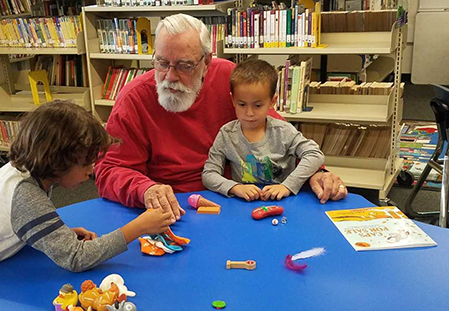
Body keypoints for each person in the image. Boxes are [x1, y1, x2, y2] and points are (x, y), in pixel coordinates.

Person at [95, 14, 348, 220]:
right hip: (175, 209)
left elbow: (273, 131)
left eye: (184, 65)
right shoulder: (133, 99)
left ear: (206, 61)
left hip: (235, 201)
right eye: (161, 63)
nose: (170, 76)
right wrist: (146, 189)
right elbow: (108, 170)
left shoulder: (228, 77)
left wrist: (317, 173)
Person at [0, 100, 173, 284]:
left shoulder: (24, 172)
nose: (91, 171)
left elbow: (9, 223)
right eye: (85, 163)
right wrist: (137, 227)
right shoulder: (26, 195)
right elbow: (75, 258)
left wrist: (54, 234)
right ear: (56, 160)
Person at [202, 59, 324, 201]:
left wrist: (287, 186)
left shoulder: (283, 131)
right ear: (233, 100)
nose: (249, 113)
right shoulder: (226, 134)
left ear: (272, 101)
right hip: (243, 206)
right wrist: (234, 187)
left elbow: (315, 154)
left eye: (258, 105)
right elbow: (209, 174)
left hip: (285, 204)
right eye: (242, 104)